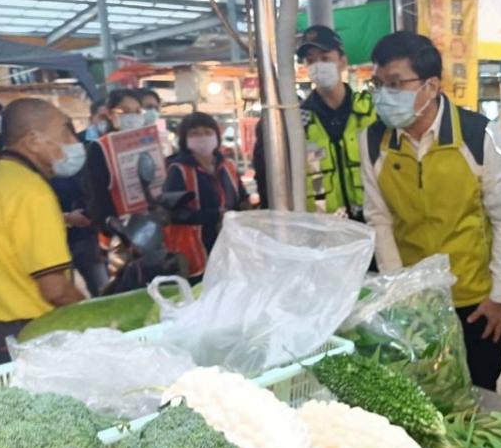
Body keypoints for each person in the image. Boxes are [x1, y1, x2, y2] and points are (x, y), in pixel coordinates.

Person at [360, 31, 501, 391]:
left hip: (475, 299)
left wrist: (499, 296)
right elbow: (380, 219)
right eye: (378, 84)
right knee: (423, 395)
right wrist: (398, 295)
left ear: (431, 86)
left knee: (480, 392)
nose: (384, 95)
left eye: (396, 84)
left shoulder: (483, 136)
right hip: (413, 304)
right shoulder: (372, 141)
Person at [0, 98, 85, 370]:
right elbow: (54, 288)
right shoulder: (31, 191)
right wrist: (91, 313)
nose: (73, 140)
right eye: (65, 130)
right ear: (33, 141)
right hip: (28, 338)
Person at [253, 25, 377, 216]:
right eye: (311, 60)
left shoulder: (371, 111)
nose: (318, 65)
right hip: (323, 233)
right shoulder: (296, 122)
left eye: (325, 58)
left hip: (374, 226)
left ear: (343, 61)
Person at [163, 112, 248, 280]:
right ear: (184, 139)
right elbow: (174, 213)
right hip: (196, 251)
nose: (202, 137)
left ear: (217, 135)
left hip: (230, 245)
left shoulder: (227, 165)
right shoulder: (178, 169)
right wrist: (216, 214)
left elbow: (242, 197)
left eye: (207, 132)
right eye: (195, 133)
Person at [83, 88, 144, 230]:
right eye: (125, 111)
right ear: (110, 114)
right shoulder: (99, 147)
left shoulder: (149, 142)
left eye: (137, 111)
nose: (133, 116)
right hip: (118, 227)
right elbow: (96, 195)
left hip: (148, 222)